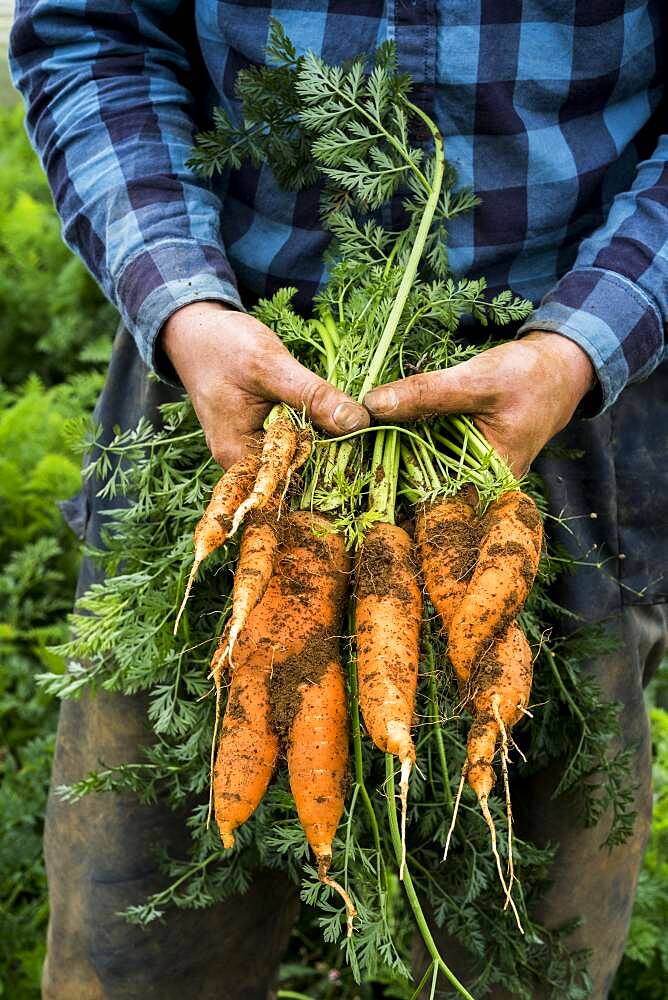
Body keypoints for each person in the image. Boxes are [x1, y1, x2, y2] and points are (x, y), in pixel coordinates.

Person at [9, 2, 667, 997]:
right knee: (136, 954)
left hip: (563, 416)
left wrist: (585, 340)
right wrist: (181, 301)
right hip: (229, 402)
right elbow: (89, 32)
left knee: (525, 957)